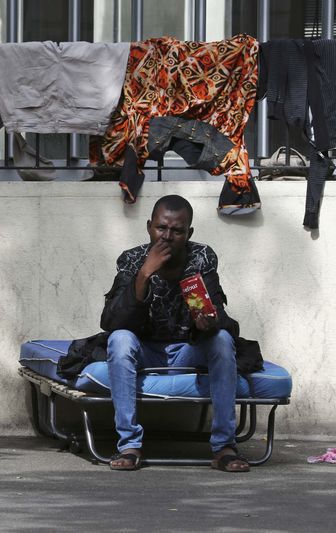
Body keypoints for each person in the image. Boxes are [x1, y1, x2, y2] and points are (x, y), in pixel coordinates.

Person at [100, 194, 249, 472]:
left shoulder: (202, 257)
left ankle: (224, 447)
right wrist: (144, 275)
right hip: (145, 349)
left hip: (186, 349)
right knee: (119, 339)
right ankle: (130, 445)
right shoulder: (132, 259)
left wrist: (208, 322)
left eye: (177, 230)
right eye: (161, 228)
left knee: (222, 339)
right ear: (149, 227)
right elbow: (112, 320)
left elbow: (217, 310)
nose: (167, 236)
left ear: (188, 233)